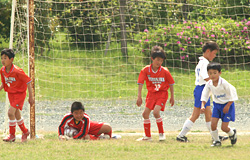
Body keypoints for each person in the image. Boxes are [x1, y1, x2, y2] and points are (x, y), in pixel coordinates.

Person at [176, 41, 227, 142]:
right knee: (196, 114)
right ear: (208, 51)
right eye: (214, 53)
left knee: (209, 115)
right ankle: (181, 135)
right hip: (201, 89)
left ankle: (215, 136)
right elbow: (207, 77)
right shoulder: (205, 63)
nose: (214, 56)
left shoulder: (202, 62)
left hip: (204, 90)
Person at [136, 46, 175, 141]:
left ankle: (162, 134)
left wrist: (172, 97)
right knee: (145, 114)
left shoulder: (165, 71)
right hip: (151, 95)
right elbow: (140, 83)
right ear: (152, 59)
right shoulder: (145, 70)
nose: (159, 62)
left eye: (161, 61)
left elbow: (171, 83)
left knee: (156, 112)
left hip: (162, 94)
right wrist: (139, 97)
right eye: (157, 60)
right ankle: (148, 136)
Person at [0, 49, 34, 142]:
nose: (3, 60)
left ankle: (12, 135)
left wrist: (31, 97)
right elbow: (4, 83)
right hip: (11, 94)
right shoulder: (2, 70)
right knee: (16, 114)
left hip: (19, 94)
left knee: (10, 113)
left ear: (11, 60)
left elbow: (28, 81)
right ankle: (25, 131)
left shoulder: (17, 71)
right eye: (1, 58)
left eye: (5, 58)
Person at [201, 62, 237, 147]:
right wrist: (203, 106)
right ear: (208, 74)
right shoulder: (209, 84)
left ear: (219, 73)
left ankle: (232, 133)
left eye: (215, 73)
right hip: (217, 105)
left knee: (224, 128)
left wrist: (228, 106)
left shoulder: (224, 83)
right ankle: (217, 141)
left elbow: (232, 95)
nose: (212, 75)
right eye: (210, 73)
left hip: (227, 105)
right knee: (212, 124)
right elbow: (205, 95)